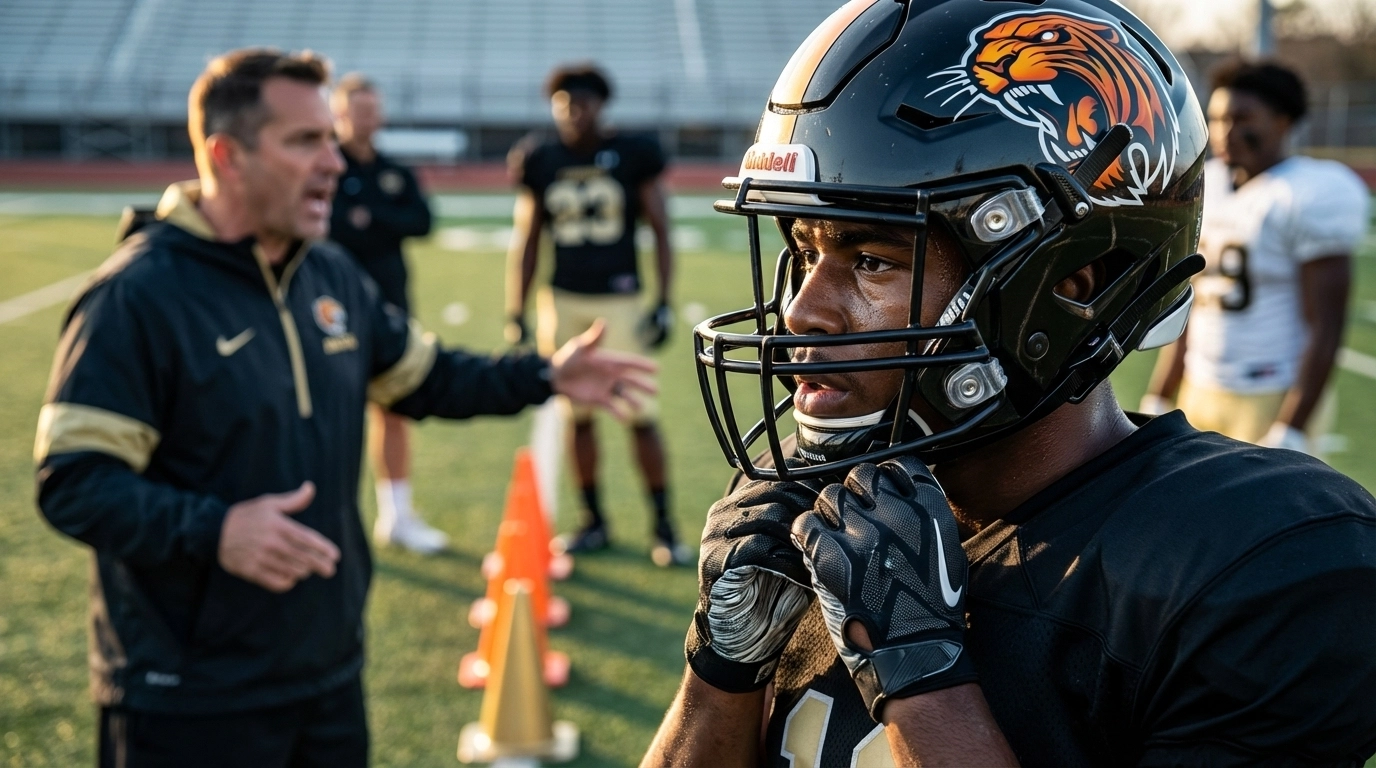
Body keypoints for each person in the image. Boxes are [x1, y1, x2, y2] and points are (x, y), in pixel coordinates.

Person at [642, 1, 1376, 765]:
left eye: (873, 260)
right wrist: (722, 666)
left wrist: (921, 675)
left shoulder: (1254, 566)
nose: (801, 313)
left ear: (1068, 286)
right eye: (806, 248)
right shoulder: (825, 512)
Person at [33, 49, 653, 768]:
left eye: (330, 137)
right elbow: (74, 482)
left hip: (326, 672)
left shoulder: (327, 273)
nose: (332, 161)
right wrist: (216, 529)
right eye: (305, 141)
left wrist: (544, 375)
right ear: (226, 156)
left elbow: (426, 378)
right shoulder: (137, 296)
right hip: (188, 696)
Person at [506, 63, 687, 566]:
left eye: (581, 102)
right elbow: (528, 237)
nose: (572, 112)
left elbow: (661, 228)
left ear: (601, 106)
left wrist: (663, 301)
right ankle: (592, 521)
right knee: (576, 416)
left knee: (638, 416)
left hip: (619, 302)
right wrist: (514, 307)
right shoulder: (539, 157)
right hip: (561, 300)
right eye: (563, 103)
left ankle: (664, 525)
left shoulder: (632, 154)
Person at [1142, 60, 1369, 454]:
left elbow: (1327, 325)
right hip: (1200, 385)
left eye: (1241, 117)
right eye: (1216, 118)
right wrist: (1160, 394)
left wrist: (1292, 425)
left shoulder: (1308, 193)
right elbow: (1189, 301)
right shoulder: (1206, 187)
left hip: (1270, 392)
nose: (1224, 131)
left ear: (1283, 121)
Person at [329, 73, 447, 554]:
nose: (367, 119)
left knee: (395, 408)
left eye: (373, 110)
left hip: (390, 304)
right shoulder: (325, 165)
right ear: (340, 113)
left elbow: (421, 220)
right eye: (358, 109)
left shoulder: (394, 169)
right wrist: (375, 222)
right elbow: (330, 226)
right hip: (331, 306)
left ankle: (396, 515)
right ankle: (330, 516)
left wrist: (370, 219)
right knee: (332, 413)